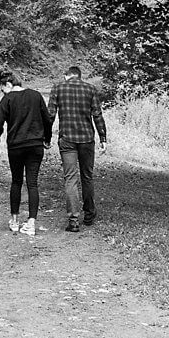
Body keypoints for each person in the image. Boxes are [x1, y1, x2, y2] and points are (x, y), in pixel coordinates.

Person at [0, 70, 53, 236]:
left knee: (16, 181)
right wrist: (47, 138)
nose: (2, 91)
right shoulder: (36, 95)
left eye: (2, 88)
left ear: (9, 84)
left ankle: (14, 220)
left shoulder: (7, 99)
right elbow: (47, 119)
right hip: (35, 145)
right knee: (32, 183)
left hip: (16, 146)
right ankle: (31, 223)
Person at [48, 66, 107, 233]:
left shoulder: (58, 88)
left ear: (67, 76)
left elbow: (50, 115)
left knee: (70, 178)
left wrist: (46, 138)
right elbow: (97, 114)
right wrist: (103, 138)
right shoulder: (90, 89)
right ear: (80, 76)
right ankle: (89, 214)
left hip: (67, 139)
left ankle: (73, 220)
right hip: (87, 139)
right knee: (87, 176)